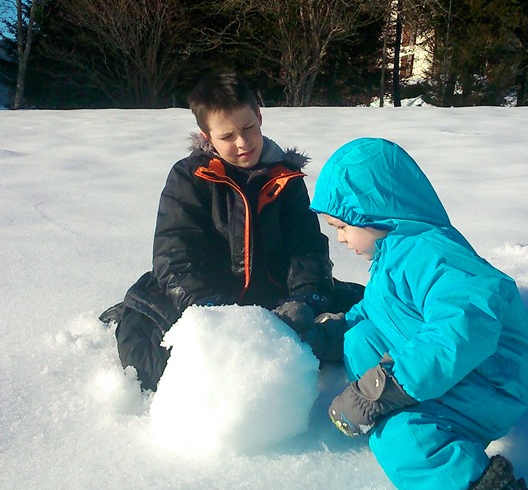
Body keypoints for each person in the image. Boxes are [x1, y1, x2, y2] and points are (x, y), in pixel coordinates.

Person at [304, 137, 528, 490]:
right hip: (450, 371)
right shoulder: (394, 254)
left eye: (343, 227)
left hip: (485, 382)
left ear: (375, 212)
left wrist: (382, 389)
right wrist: (325, 335)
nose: (341, 239)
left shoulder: (432, 254)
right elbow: (375, 312)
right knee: (359, 336)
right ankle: (401, 400)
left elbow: (465, 324)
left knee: (401, 439)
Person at [100, 71, 362, 392]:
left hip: (275, 296)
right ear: (207, 136)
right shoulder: (190, 178)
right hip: (205, 297)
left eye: (248, 128)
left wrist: (305, 299)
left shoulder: (286, 177)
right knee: (149, 363)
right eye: (227, 136)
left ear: (259, 117)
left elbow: (306, 247)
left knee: (364, 320)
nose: (242, 142)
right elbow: (175, 255)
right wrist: (209, 311)